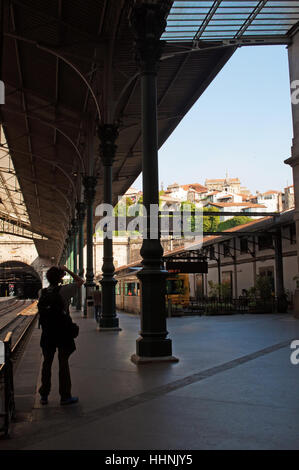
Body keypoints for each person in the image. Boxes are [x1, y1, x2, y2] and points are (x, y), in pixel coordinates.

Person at [38, 265, 84, 406]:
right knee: (63, 364)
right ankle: (65, 396)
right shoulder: (64, 290)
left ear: (47, 278)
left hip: (47, 333)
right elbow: (80, 281)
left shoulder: (42, 292)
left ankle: (44, 396)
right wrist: (68, 270)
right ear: (60, 278)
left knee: (47, 364)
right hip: (63, 332)